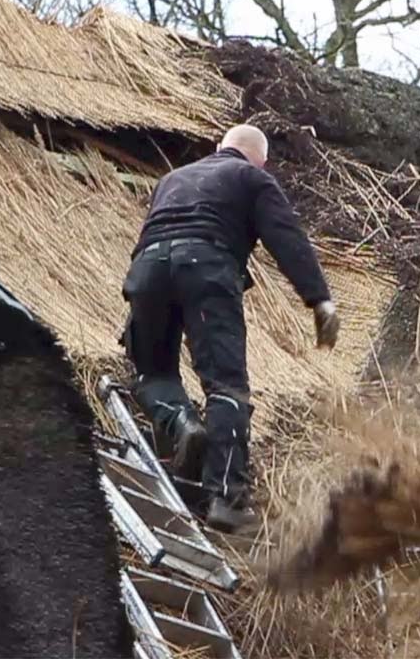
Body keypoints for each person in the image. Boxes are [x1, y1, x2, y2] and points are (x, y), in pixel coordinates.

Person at [120, 124, 340, 533]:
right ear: (261, 159)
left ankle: (182, 424)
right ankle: (227, 498)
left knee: (152, 372)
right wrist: (319, 299)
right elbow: (286, 238)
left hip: (146, 270)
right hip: (206, 268)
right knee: (226, 386)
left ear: (219, 148)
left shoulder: (172, 178)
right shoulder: (253, 178)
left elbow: (155, 236)